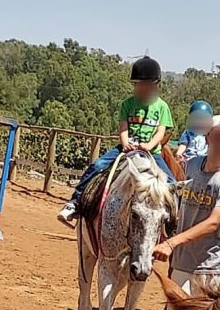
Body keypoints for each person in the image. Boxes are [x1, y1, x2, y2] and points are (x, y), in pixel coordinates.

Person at [154, 115, 220, 310]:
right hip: (183, 260)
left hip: (213, 267)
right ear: (208, 138)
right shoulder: (192, 166)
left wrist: (171, 243)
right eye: (219, 137)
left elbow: (214, 223)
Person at [57, 56, 175, 224]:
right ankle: (75, 202)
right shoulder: (127, 104)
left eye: (145, 86)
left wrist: (148, 146)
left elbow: (160, 132)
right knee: (97, 165)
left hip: (151, 153)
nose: (141, 89)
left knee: (171, 182)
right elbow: (123, 127)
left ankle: (172, 220)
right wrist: (125, 143)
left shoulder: (162, 107)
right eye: (138, 85)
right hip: (126, 148)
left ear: (155, 85)